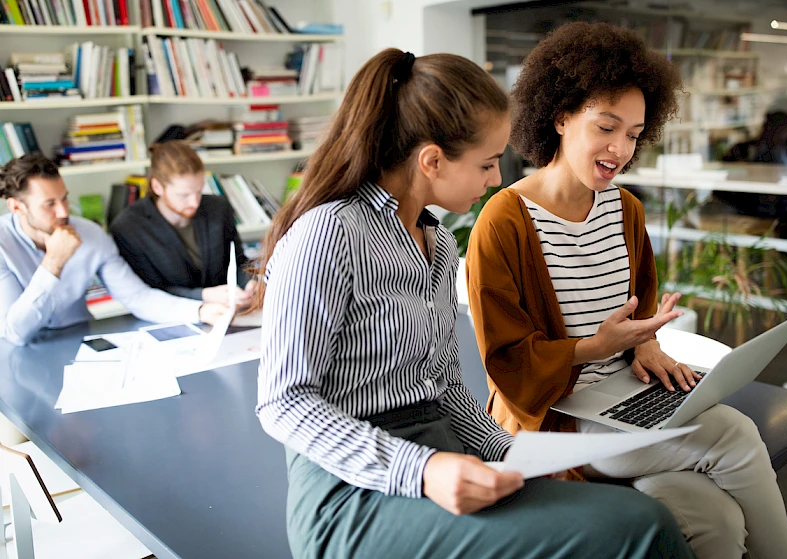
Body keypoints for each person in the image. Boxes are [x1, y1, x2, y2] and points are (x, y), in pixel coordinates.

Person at [253, 48, 695, 559]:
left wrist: (515, 453)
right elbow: (283, 403)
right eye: (487, 163)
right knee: (640, 526)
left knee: (638, 521)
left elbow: (444, 388)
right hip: (352, 490)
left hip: (444, 454)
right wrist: (421, 470)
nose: (495, 180)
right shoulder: (329, 234)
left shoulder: (438, 245)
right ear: (432, 161)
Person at [466, 22, 787, 559]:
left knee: (714, 517)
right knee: (734, 436)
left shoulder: (625, 209)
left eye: (634, 133)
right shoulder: (504, 221)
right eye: (606, 127)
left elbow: (638, 303)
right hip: (556, 421)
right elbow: (506, 365)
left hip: (626, 404)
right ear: (560, 116)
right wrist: (595, 348)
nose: (620, 148)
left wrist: (644, 342)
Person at [0, 154, 228, 346]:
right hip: (17, 356)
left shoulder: (91, 235)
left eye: (64, 199)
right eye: (49, 204)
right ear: (16, 207)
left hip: (78, 341)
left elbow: (137, 297)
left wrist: (200, 311)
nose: (63, 212)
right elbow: (16, 333)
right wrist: (53, 264)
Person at [110, 140, 255, 307]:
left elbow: (237, 262)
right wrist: (203, 295)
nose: (194, 202)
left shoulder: (218, 208)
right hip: (169, 317)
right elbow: (146, 291)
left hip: (228, 311)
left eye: (199, 191)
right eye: (183, 195)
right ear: (157, 187)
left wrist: (250, 283)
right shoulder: (129, 227)